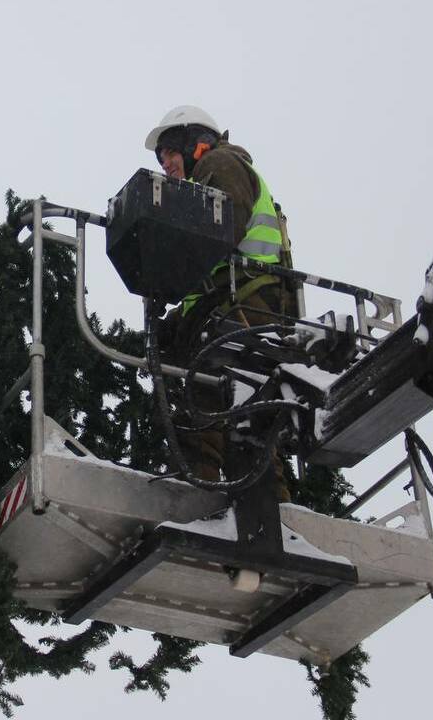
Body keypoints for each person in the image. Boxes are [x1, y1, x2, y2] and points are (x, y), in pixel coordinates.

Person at [144, 105, 294, 499]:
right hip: (228, 308)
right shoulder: (201, 185)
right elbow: (205, 276)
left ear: (197, 144)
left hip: (244, 309)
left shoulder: (220, 163)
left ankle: (201, 506)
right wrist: (175, 323)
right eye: (161, 160)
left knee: (218, 417)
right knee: (242, 421)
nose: (166, 165)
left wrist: (162, 265)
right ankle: (263, 508)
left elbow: (215, 234)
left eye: (171, 153)